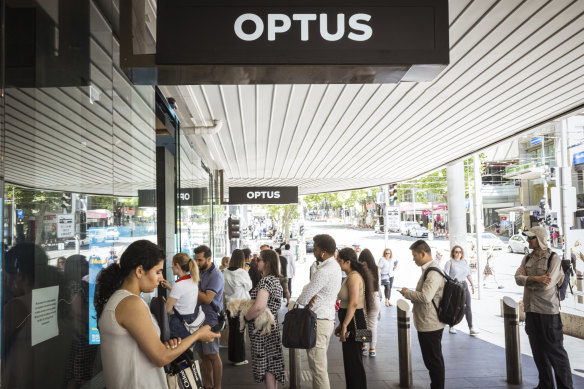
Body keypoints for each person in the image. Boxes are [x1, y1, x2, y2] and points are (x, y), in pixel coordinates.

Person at [95, 240, 218, 389]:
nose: (160, 278)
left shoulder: (123, 300)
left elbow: (145, 351)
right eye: (157, 272)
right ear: (140, 271)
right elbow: (161, 358)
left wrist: (165, 347)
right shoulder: (131, 304)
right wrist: (198, 334)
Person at [515, 226, 573, 389]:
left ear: (539, 239)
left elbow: (547, 286)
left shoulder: (553, 258)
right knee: (538, 351)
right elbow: (517, 279)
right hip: (531, 310)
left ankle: (565, 386)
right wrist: (536, 278)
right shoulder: (527, 258)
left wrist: (528, 279)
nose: (527, 240)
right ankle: (545, 384)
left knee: (556, 353)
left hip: (548, 312)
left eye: (531, 238)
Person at [296, 234, 342, 389]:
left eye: (315, 247)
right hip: (325, 320)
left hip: (318, 322)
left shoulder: (324, 271)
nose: (312, 250)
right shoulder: (334, 267)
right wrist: (309, 291)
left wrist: (308, 293)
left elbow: (302, 298)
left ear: (323, 251)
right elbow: (308, 292)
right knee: (319, 367)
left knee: (318, 369)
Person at [399, 240, 446, 389]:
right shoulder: (428, 270)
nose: (413, 259)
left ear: (423, 254)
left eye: (414, 255)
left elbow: (426, 297)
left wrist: (407, 293)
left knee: (433, 361)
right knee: (432, 359)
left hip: (431, 323)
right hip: (427, 322)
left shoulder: (433, 272)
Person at [244, 249, 286, 388]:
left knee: (267, 365)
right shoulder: (275, 280)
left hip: (262, 329)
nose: (257, 261)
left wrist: (246, 317)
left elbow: (259, 307)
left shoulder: (266, 281)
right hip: (271, 327)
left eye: (260, 259)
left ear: (267, 263)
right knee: (272, 365)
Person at [334, 247, 375, 389]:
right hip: (355, 320)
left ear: (348, 261)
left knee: (354, 362)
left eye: (340, 261)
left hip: (356, 322)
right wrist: (342, 324)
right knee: (352, 361)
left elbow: (353, 302)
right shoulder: (351, 275)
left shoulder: (354, 277)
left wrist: (344, 325)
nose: (338, 263)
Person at [194, 245, 225, 389]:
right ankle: (208, 384)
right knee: (203, 354)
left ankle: (217, 386)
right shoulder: (200, 272)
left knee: (212, 354)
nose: (197, 263)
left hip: (211, 319)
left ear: (209, 259)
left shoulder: (216, 275)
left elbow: (207, 298)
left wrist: (192, 288)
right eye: (196, 260)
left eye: (200, 260)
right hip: (199, 317)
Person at [161, 252, 200, 341]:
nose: (171, 267)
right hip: (191, 320)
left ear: (177, 266)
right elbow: (184, 296)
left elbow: (168, 309)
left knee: (178, 353)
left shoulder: (178, 285)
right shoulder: (193, 280)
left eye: (172, 265)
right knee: (188, 350)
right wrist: (170, 288)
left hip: (178, 323)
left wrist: (165, 302)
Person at [223, 249, 252, 366]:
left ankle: (233, 357)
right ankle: (239, 359)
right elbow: (249, 286)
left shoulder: (224, 272)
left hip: (229, 304)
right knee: (239, 332)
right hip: (240, 304)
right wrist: (246, 271)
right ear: (242, 259)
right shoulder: (242, 272)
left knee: (232, 331)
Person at [443, 246, 478, 336]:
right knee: (455, 307)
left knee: (468, 307)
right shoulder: (449, 262)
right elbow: (445, 276)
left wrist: (472, 285)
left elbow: (468, 274)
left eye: (460, 252)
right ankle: (451, 326)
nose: (458, 254)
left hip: (464, 285)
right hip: (455, 286)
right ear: (453, 253)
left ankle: (471, 328)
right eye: (456, 252)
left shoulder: (464, 262)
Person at [357, 248, 380, 357]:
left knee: (363, 323)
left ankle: (363, 346)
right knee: (373, 324)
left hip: (363, 298)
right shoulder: (375, 268)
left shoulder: (359, 269)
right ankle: (372, 349)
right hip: (375, 297)